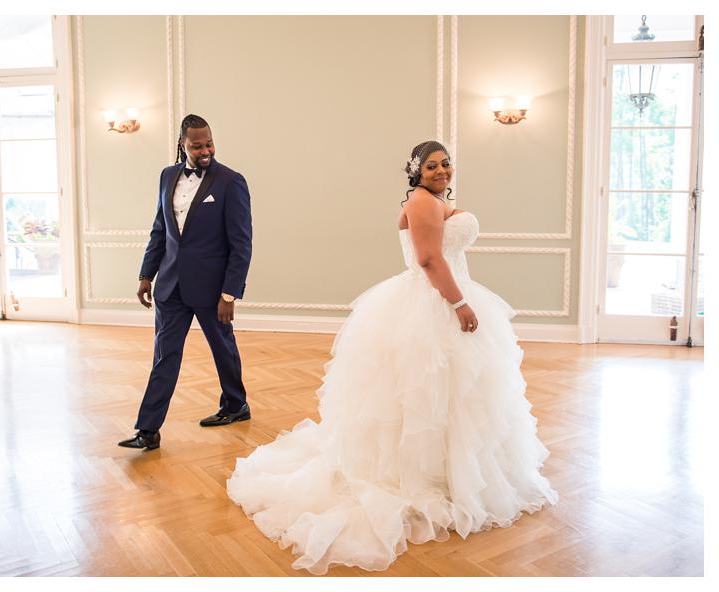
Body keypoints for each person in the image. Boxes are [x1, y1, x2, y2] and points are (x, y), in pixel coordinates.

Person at [226, 141, 556, 574]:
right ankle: (422, 477)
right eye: (431, 165)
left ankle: (456, 474)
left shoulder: (435, 200)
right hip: (434, 301)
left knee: (458, 394)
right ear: (415, 172)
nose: (441, 170)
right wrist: (460, 305)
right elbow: (429, 259)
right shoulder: (422, 202)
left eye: (446, 163)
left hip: (446, 294)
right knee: (424, 393)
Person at [120, 114, 255, 451]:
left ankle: (236, 404)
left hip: (212, 289)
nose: (205, 149)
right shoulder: (167, 176)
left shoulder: (230, 181)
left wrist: (229, 293)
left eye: (209, 143)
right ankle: (148, 430)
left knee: (222, 348)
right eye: (197, 145)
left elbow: (241, 243)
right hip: (170, 287)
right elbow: (159, 230)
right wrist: (145, 275)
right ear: (183, 144)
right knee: (164, 356)